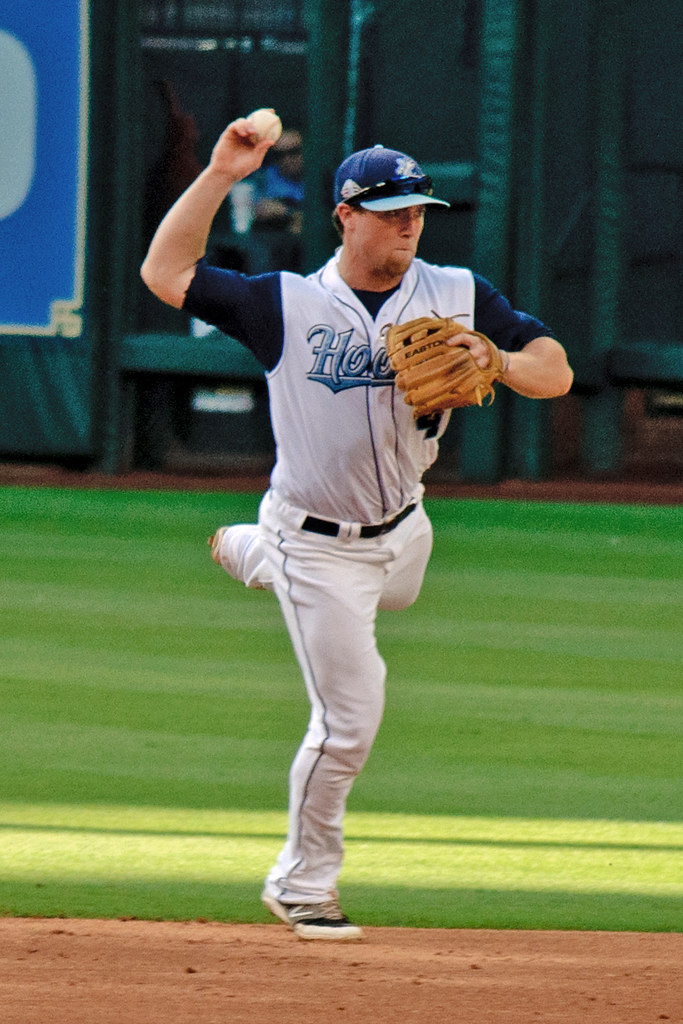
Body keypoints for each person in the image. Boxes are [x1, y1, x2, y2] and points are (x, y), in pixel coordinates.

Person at [140, 113, 573, 942]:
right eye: (389, 208)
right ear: (345, 215)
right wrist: (226, 172)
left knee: (396, 592)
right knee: (349, 719)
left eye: (416, 207)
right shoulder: (286, 306)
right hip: (318, 538)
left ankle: (253, 553)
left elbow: (554, 371)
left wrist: (500, 360)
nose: (408, 221)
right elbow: (166, 272)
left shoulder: (455, 292)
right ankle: (301, 884)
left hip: (407, 532)